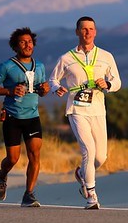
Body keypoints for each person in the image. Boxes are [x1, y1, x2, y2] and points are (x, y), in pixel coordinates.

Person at [50, 16, 121, 209]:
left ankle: (82, 174)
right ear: (77, 32)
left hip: (98, 110)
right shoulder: (66, 58)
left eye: (91, 29)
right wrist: (57, 88)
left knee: (100, 158)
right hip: (77, 110)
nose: (87, 32)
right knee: (88, 151)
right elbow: (53, 79)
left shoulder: (106, 56)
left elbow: (117, 82)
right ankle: (92, 196)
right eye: (83, 29)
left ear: (95, 32)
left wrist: (107, 84)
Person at [0, 27, 50, 207]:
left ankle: (29, 194)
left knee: (35, 155)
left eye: (30, 42)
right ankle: (2, 175)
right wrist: (9, 90)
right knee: (13, 159)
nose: (27, 45)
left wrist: (44, 90)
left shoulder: (40, 66)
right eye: (22, 42)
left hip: (32, 117)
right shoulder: (7, 66)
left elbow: (40, 90)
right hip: (12, 117)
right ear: (15, 46)